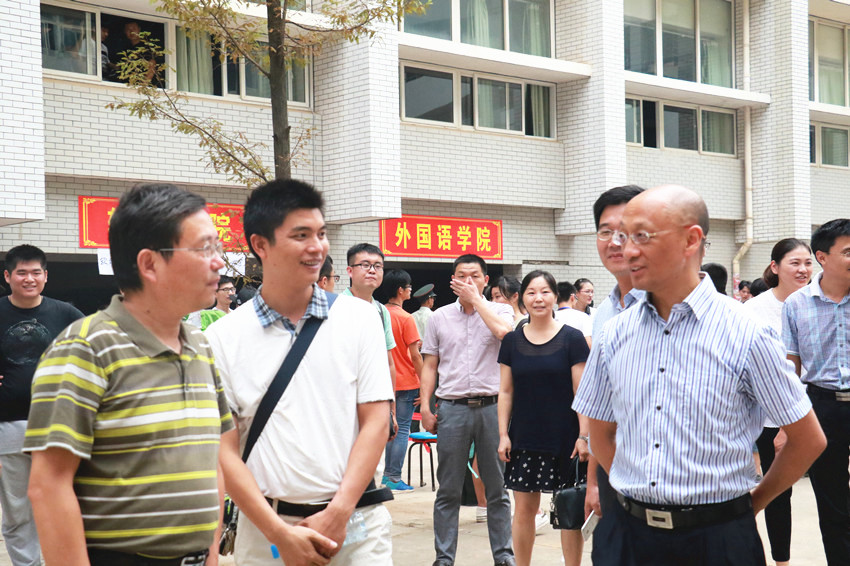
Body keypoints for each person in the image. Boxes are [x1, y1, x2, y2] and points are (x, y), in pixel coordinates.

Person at [573, 185, 826, 566]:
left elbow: (807, 440)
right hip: (627, 536)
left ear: (691, 240)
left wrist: (749, 505)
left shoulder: (747, 333)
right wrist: (637, 490)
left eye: (641, 236)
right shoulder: (614, 333)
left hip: (718, 539)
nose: (626, 250)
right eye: (623, 237)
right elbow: (601, 433)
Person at [24, 184, 235, 565]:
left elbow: (213, 459)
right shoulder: (85, 349)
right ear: (149, 264)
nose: (219, 262)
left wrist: (212, 552)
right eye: (204, 249)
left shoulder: (201, 346)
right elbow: (49, 486)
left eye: (217, 248)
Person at [206, 179, 393, 566]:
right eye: (301, 235)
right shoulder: (223, 338)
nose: (317, 247)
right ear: (261, 245)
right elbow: (224, 450)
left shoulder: (359, 319)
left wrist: (338, 513)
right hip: (267, 533)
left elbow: (376, 421)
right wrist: (279, 534)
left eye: (321, 234)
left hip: (358, 525)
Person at [420, 254, 516, 566]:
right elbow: (429, 365)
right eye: (461, 276)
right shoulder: (439, 317)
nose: (468, 281)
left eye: (474, 276)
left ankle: (504, 556)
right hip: (452, 409)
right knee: (448, 488)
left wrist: (477, 301)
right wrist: (425, 406)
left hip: (492, 408)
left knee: (497, 488)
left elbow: (505, 334)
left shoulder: (501, 310)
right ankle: (444, 557)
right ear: (453, 280)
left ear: (486, 280)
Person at [497, 270, 590, 566]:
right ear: (522, 299)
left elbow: (581, 392)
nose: (538, 298)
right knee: (524, 510)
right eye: (531, 292)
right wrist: (503, 434)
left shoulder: (572, 338)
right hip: (525, 437)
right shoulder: (512, 341)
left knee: (568, 510)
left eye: (545, 292)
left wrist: (583, 435)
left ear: (555, 297)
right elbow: (506, 391)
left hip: (566, 438)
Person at [0, 245, 83, 566]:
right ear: (8, 276)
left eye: (36, 272)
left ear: (46, 276)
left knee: (62, 501)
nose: (29, 278)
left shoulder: (66, 314)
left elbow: (96, 351)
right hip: (8, 425)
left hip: (58, 425)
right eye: (21, 272)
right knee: (18, 510)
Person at [783, 219, 850, 566]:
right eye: (848, 251)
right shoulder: (797, 304)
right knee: (831, 499)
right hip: (821, 406)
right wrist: (787, 424)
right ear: (822, 257)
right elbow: (791, 366)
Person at [584, 184, 646, 558]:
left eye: (626, 231)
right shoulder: (605, 313)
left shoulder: (672, 307)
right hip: (614, 473)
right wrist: (595, 481)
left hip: (666, 482)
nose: (615, 241)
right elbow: (601, 413)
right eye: (605, 231)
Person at [744, 238, 814, 566]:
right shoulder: (753, 310)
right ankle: (781, 561)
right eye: (794, 263)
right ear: (775, 267)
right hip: (769, 418)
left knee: (831, 493)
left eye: (808, 263)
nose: (803, 270)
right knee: (777, 494)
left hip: (814, 411)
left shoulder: (818, 303)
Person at [344, 243, 398, 451]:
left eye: (378, 266)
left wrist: (391, 410)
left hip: (374, 403)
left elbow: (389, 364)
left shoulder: (381, 311)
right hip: (344, 402)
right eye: (365, 265)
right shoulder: (337, 307)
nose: (372, 270)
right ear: (350, 270)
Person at [382, 269, 424, 492]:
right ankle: (393, 476)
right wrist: (425, 384)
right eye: (408, 287)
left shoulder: (379, 313)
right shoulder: (406, 318)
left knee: (388, 428)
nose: (410, 290)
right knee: (403, 429)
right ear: (400, 290)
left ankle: (385, 475)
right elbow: (415, 356)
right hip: (406, 381)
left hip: (384, 382)